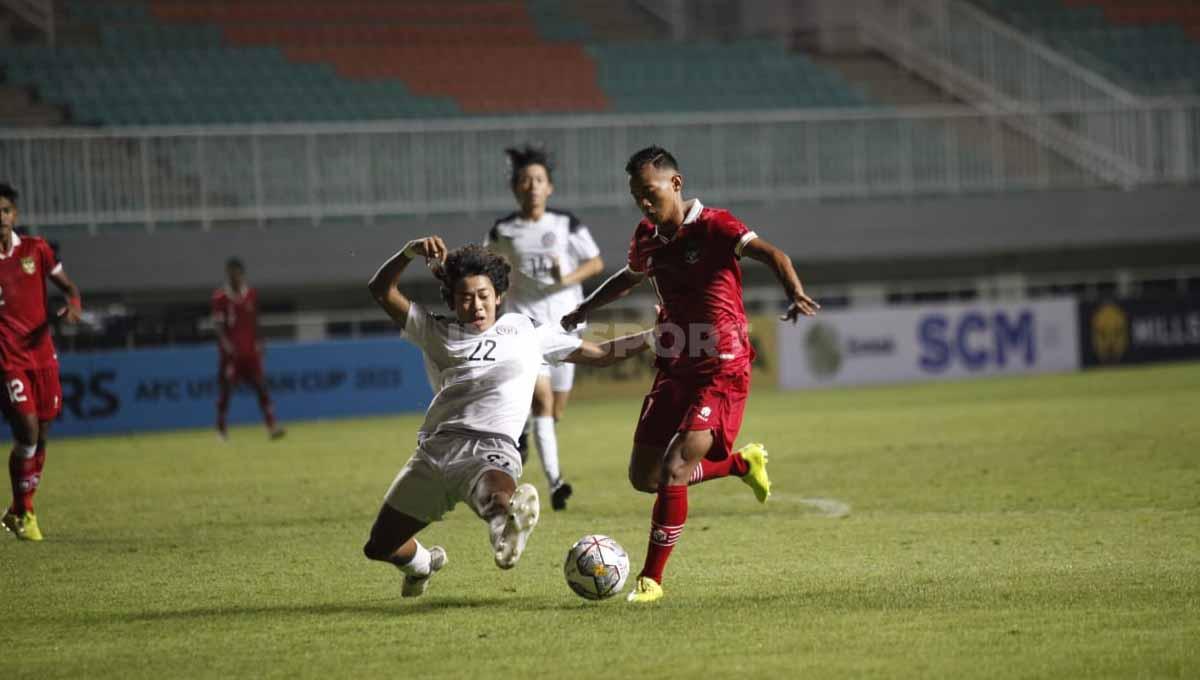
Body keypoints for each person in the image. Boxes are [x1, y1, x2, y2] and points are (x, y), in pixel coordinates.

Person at [561, 146, 821, 603]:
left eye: (649, 191)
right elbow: (628, 277)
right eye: (636, 195)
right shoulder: (645, 236)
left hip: (721, 369)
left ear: (675, 184)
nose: (643, 202)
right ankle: (741, 463)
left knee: (676, 467)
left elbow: (772, 254)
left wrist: (794, 292)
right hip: (675, 363)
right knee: (644, 478)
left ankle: (650, 580)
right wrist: (584, 307)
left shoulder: (716, 225)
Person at [363, 237, 650, 598]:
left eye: (484, 295)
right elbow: (380, 289)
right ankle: (423, 564)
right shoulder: (434, 330)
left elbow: (603, 352)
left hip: (491, 446)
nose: (477, 305)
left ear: (498, 296)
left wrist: (656, 337)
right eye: (466, 297)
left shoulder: (526, 331)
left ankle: (505, 530)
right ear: (451, 300)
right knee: (379, 545)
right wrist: (408, 251)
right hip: (435, 451)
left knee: (495, 496)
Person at [484, 145, 604, 511]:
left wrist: (565, 277)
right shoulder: (504, 230)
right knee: (542, 400)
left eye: (538, 180)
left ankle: (523, 432)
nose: (532, 186)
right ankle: (556, 483)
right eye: (525, 180)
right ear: (515, 188)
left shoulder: (566, 224)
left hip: (565, 325)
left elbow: (596, 262)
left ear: (549, 187)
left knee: (554, 412)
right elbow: (488, 268)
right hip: (526, 325)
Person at [0, 182, 83, 542]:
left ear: (14, 215)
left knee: (43, 433)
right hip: (8, 359)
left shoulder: (36, 249)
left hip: (43, 356)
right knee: (28, 431)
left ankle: (18, 509)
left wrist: (73, 307)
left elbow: (70, 289)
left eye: (4, 210)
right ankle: (27, 512)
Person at [212, 257, 284, 440]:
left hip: (250, 352)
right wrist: (226, 345)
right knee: (227, 389)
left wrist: (260, 341)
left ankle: (272, 426)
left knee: (261, 387)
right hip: (231, 354)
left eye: (238, 273)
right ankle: (221, 429)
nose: (235, 277)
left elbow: (255, 321)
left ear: (242, 274)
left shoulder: (250, 294)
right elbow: (219, 326)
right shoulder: (220, 297)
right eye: (232, 273)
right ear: (228, 274)